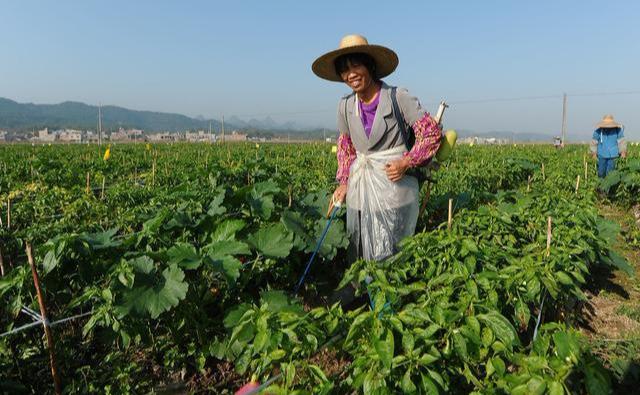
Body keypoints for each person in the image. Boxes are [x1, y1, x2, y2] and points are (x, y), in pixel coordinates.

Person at [312, 34, 442, 262]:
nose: (351, 74)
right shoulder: (344, 106)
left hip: (395, 188)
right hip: (361, 188)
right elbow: (346, 147)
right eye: (344, 69)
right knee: (361, 246)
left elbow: (430, 133)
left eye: (356, 65)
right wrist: (344, 182)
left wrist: (406, 162)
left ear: (370, 65)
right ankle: (359, 288)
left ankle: (388, 293)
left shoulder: (397, 97)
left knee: (391, 251)